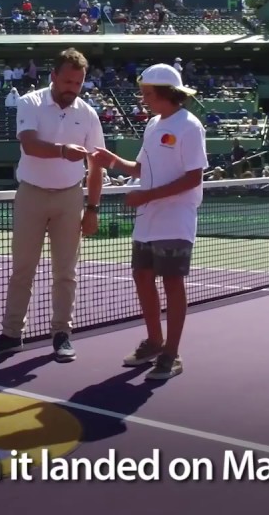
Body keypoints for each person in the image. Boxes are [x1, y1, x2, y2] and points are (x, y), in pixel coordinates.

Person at [0, 48, 105, 363]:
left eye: (78, 83)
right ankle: (11, 334)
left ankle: (62, 334)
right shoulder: (30, 102)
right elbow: (29, 144)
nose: (71, 88)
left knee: (66, 272)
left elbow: (97, 165)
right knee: (22, 269)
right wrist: (63, 151)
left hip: (70, 197)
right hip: (31, 195)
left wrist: (92, 209)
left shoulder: (88, 113)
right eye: (67, 81)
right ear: (53, 77)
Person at [91, 63, 207, 380]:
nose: (143, 99)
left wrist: (148, 196)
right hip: (148, 218)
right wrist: (112, 161)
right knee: (142, 276)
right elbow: (140, 169)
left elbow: (194, 178)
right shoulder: (154, 124)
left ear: (166, 93)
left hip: (175, 218)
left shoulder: (190, 126)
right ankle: (154, 342)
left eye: (147, 94)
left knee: (172, 283)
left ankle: (172, 353)